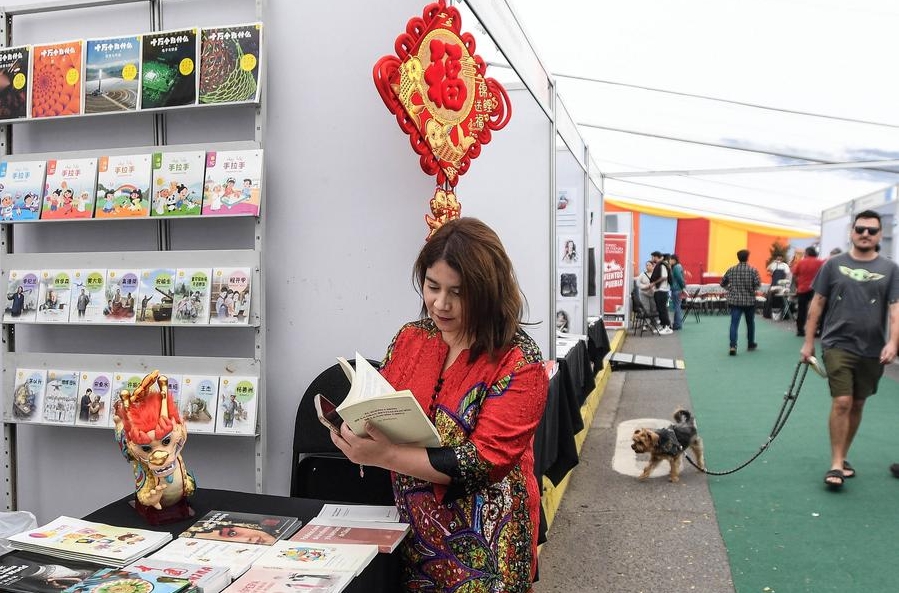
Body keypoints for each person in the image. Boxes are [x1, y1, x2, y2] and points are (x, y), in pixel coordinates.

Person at [330, 217, 549, 592]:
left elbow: (482, 462)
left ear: (489, 292)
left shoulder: (519, 360)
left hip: (487, 552)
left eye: (459, 293)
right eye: (432, 287)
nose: (441, 304)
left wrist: (384, 455)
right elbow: (380, 405)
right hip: (413, 538)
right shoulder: (411, 338)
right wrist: (356, 428)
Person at [799, 210, 899, 489]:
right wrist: (808, 341)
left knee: (858, 403)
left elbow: (895, 309)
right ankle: (835, 464)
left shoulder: (891, 269)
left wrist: (893, 342)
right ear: (852, 232)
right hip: (837, 343)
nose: (865, 234)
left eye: (872, 230)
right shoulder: (833, 264)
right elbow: (817, 303)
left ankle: (843, 456)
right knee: (842, 401)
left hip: (872, 348)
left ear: (879, 235)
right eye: (860, 229)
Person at [721, 249, 761, 356]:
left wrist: (730, 288)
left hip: (735, 301)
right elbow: (757, 284)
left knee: (734, 324)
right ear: (747, 258)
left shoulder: (731, 270)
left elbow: (722, 283)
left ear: (738, 258)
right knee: (750, 323)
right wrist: (751, 288)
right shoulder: (753, 270)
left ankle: (733, 346)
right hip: (749, 301)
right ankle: (750, 344)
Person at [791, 246, 824, 337]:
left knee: (801, 310)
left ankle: (800, 330)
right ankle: (815, 330)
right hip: (816, 289)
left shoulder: (801, 262)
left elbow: (795, 275)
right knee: (815, 310)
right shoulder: (820, 262)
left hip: (802, 289)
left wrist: (797, 286)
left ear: (807, 253)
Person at [648, 251, 673, 334]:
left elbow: (664, 277)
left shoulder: (662, 265)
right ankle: (663, 326)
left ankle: (667, 327)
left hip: (662, 290)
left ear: (656, 257)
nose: (652, 259)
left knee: (663, 309)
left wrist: (654, 283)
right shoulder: (660, 265)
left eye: (652, 257)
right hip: (659, 290)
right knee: (660, 309)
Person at [668, 254, 686, 330]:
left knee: (677, 307)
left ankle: (677, 324)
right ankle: (677, 324)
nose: (669, 261)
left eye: (670, 259)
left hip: (676, 289)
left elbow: (679, 278)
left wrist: (683, 287)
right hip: (678, 289)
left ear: (674, 260)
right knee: (677, 307)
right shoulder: (678, 266)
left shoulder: (676, 267)